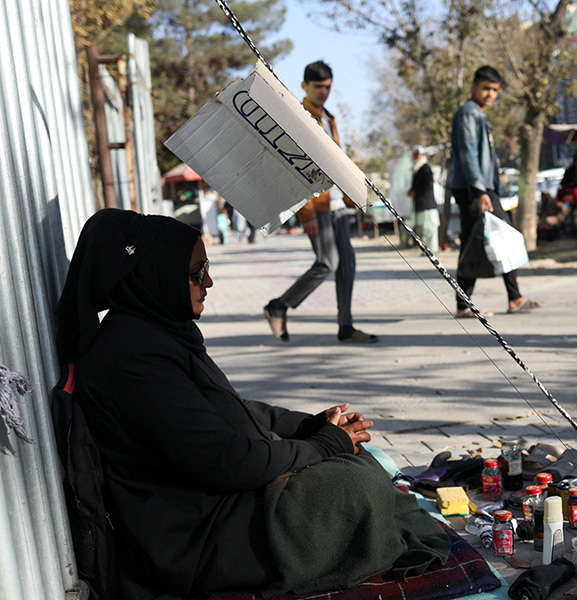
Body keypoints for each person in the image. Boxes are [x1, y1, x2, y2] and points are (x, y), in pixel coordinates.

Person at [54, 209, 449, 600]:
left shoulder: (157, 332)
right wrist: (324, 445)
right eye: (195, 274)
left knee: (359, 457)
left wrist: (312, 425)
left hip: (224, 499)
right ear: (153, 275)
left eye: (205, 268)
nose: (208, 282)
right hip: (197, 537)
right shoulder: (132, 357)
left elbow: (230, 406)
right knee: (353, 484)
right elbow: (226, 462)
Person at [263, 60, 378, 343]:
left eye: (327, 87)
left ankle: (346, 327)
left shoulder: (329, 117)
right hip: (318, 206)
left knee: (347, 263)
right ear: (304, 86)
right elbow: (292, 167)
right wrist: (307, 213)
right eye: (318, 87)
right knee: (327, 262)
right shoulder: (299, 117)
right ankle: (279, 305)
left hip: (338, 204)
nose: (323, 92)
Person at [449, 65, 542, 317]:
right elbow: (469, 155)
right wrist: (481, 192)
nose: (491, 94)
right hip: (475, 189)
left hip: (480, 188)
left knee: (488, 239)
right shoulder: (469, 114)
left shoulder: (477, 113)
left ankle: (505, 298)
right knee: (494, 237)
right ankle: (504, 299)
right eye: (486, 88)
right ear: (474, 86)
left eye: (495, 90)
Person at [407, 145, 440, 254]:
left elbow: (428, 185)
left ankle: (433, 250)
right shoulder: (417, 168)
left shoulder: (425, 168)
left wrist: (416, 191)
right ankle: (427, 249)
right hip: (420, 204)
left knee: (430, 228)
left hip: (427, 204)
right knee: (423, 229)